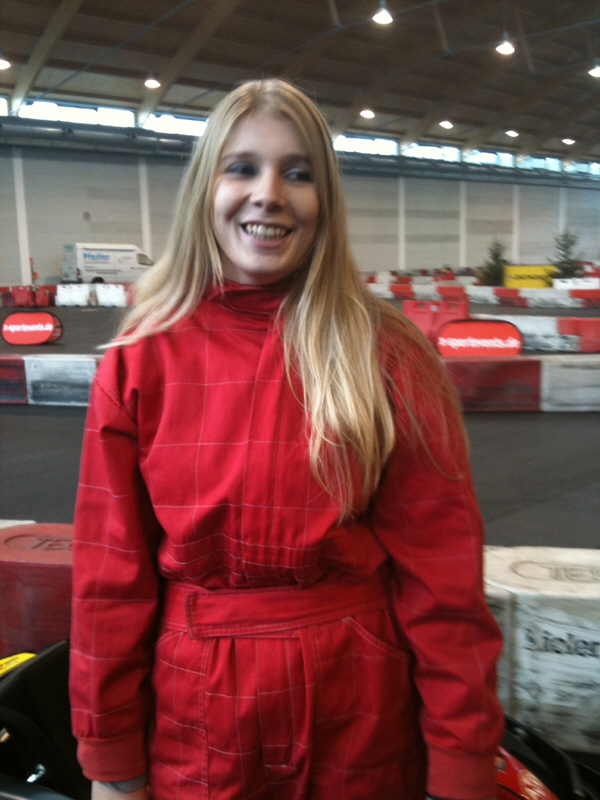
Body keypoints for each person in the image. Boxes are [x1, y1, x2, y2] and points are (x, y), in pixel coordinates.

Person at [69, 78, 503, 800]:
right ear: (204, 190)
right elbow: (108, 579)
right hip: (197, 709)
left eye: (297, 173)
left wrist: (462, 760)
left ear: (324, 200)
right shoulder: (141, 357)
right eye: (242, 168)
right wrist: (110, 753)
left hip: (361, 703)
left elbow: (443, 580)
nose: (268, 194)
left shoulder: (387, 353)